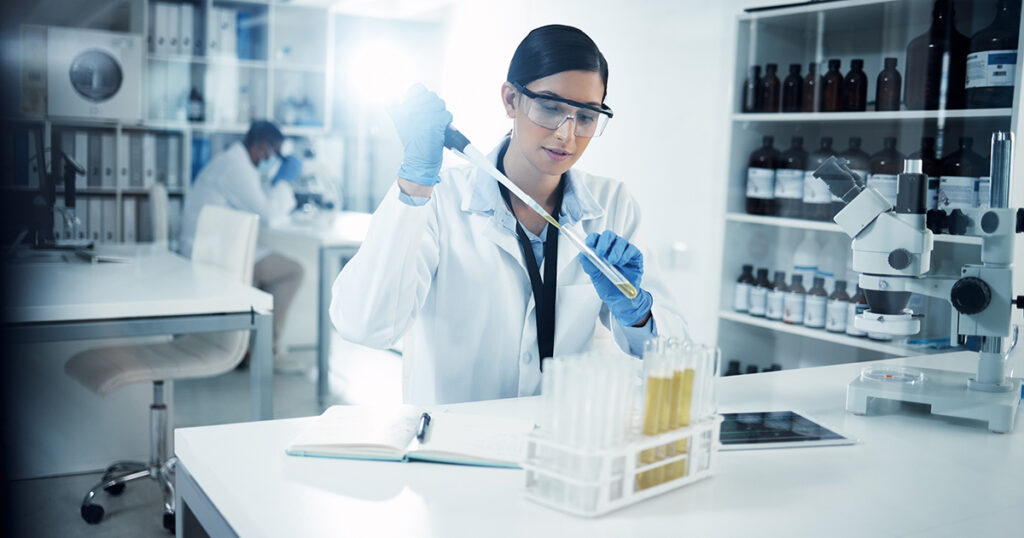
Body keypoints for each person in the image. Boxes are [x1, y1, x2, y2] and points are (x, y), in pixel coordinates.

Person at [331, 25, 685, 405]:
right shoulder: (442, 199)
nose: (567, 135)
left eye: (586, 117)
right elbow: (365, 325)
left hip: (559, 446)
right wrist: (413, 184)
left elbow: (672, 355)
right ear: (511, 100)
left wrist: (637, 314)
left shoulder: (613, 204)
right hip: (454, 449)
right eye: (551, 108)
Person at [179, 120, 307, 374]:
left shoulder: (233, 162)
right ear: (262, 146)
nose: (274, 159)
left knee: (275, 267)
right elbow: (268, 213)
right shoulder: (236, 168)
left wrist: (278, 185)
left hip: (211, 247)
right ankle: (267, 352)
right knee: (293, 271)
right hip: (211, 254)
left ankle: (250, 348)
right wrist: (284, 182)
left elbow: (260, 206)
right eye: (275, 152)